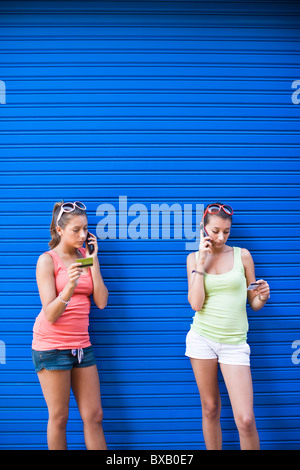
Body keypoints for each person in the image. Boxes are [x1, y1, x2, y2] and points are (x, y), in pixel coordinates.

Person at [185, 203, 270, 450]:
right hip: (202, 340)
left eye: (226, 231)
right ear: (203, 228)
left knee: (245, 419)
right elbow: (196, 304)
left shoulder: (242, 255)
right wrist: (201, 262)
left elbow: (252, 303)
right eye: (215, 231)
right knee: (210, 408)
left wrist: (262, 296)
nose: (220, 237)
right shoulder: (192, 258)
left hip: (234, 344)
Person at [32, 201, 108, 450]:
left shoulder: (86, 256)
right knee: (59, 417)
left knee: (94, 416)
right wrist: (69, 287)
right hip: (51, 347)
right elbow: (50, 314)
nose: (83, 235)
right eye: (76, 230)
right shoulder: (47, 261)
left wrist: (94, 262)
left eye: (85, 229)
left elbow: (101, 302)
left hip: (81, 346)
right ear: (60, 229)